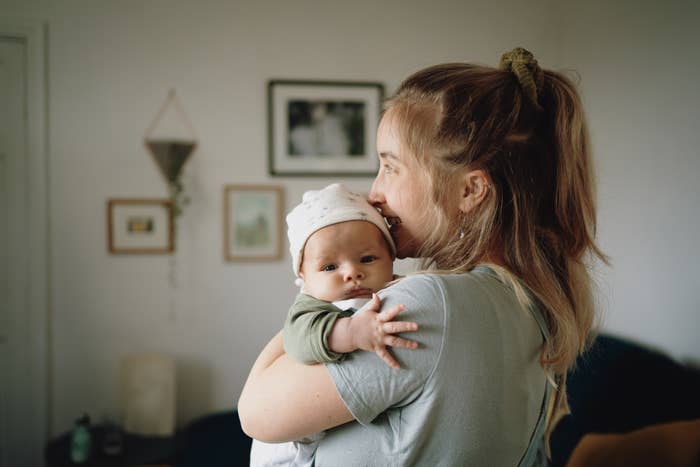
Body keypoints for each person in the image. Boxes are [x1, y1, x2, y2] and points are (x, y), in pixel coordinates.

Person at [238, 47, 607, 466]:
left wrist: (315, 295)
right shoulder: (531, 305)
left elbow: (254, 412)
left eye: (390, 167)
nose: (375, 192)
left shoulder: (431, 303)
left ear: (470, 190)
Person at [250, 183, 419, 467]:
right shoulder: (309, 307)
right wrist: (352, 332)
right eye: (330, 267)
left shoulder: (400, 290)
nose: (352, 273)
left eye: (367, 259)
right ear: (304, 274)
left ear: (390, 258)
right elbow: (300, 342)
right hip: (290, 450)